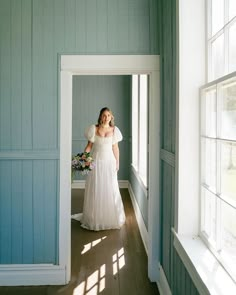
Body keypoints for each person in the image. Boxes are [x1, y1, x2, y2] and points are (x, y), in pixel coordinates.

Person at [80, 107, 126, 231]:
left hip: (109, 162)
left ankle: (109, 216)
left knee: (109, 188)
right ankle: (95, 218)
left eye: (108, 115)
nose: (106, 118)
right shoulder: (93, 129)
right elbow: (89, 146)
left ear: (111, 117)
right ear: (100, 116)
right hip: (96, 162)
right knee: (96, 188)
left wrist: (117, 162)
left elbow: (116, 148)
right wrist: (84, 158)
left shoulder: (114, 130)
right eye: (104, 115)